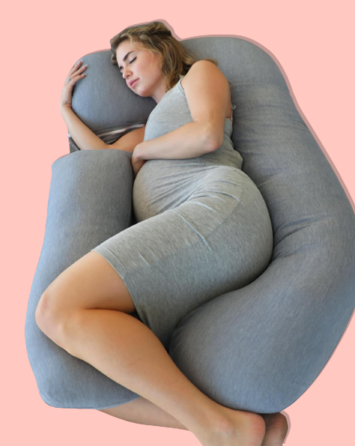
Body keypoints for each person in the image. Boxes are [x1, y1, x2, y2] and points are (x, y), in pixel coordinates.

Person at [39, 21, 288, 446]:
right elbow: (102, 162)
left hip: (219, 209)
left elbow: (208, 133)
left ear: (161, 48)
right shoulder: (149, 126)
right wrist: (65, 112)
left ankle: (222, 429)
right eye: (119, 70)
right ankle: (239, 425)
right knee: (84, 379)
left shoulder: (199, 75)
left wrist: (143, 150)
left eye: (131, 58)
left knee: (55, 309)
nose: (126, 73)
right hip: (189, 245)